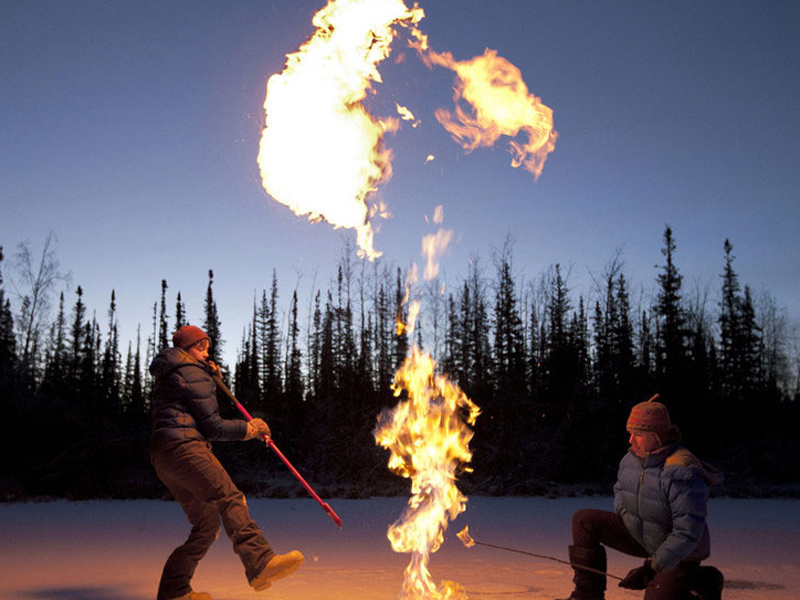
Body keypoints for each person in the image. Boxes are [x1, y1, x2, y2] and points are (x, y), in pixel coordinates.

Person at [150, 325, 304, 600]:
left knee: (206, 525)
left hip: (164, 456)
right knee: (230, 497)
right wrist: (251, 429)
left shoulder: (170, 372)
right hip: (187, 449)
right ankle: (260, 563)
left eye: (207, 346)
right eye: (200, 347)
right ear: (185, 349)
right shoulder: (192, 371)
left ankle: (174, 591)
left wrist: (208, 378)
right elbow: (213, 427)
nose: (207, 352)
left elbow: (190, 404)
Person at [556, 397, 724, 600]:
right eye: (630, 434)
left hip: (682, 552)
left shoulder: (680, 472)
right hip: (644, 536)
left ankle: (702, 580)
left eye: (638, 435)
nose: (630, 440)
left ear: (658, 436)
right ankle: (587, 595)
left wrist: (650, 569)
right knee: (584, 520)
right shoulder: (631, 460)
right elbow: (619, 492)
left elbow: (687, 533)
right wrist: (627, 518)